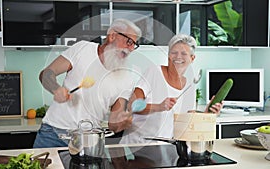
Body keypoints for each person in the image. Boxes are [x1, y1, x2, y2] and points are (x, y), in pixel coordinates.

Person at [33, 19, 142, 148]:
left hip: (90, 141)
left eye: (134, 45)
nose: (131, 49)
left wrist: (123, 122)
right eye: (129, 41)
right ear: (112, 35)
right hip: (53, 134)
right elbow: (46, 74)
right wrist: (55, 89)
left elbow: (113, 123)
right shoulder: (82, 49)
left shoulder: (126, 79)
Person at [120, 34, 223, 144]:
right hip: (137, 146)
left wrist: (208, 114)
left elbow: (188, 123)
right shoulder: (154, 72)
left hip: (165, 149)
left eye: (184, 53)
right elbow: (132, 105)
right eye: (174, 52)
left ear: (192, 58)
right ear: (168, 55)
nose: (178, 57)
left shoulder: (189, 86)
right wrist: (159, 106)